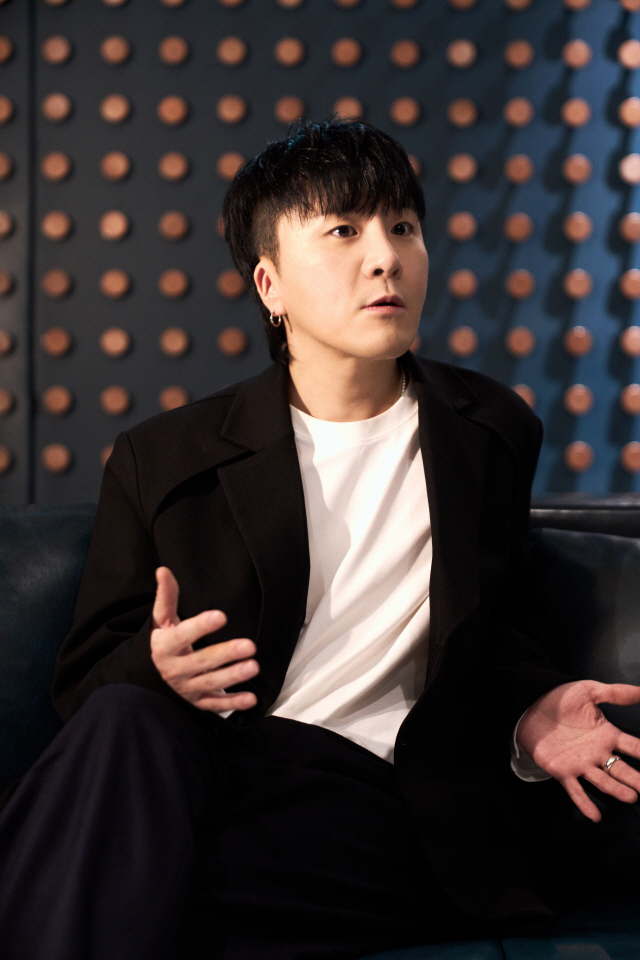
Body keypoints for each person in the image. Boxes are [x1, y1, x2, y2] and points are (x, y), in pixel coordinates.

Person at [1, 117, 640, 960]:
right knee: (128, 735)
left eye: (402, 227)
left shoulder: (488, 431)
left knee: (112, 874)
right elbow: (86, 689)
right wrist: (156, 670)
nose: (385, 259)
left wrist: (530, 712)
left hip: (382, 801)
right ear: (270, 284)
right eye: (343, 231)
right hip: (216, 774)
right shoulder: (165, 457)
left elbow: (490, 631)